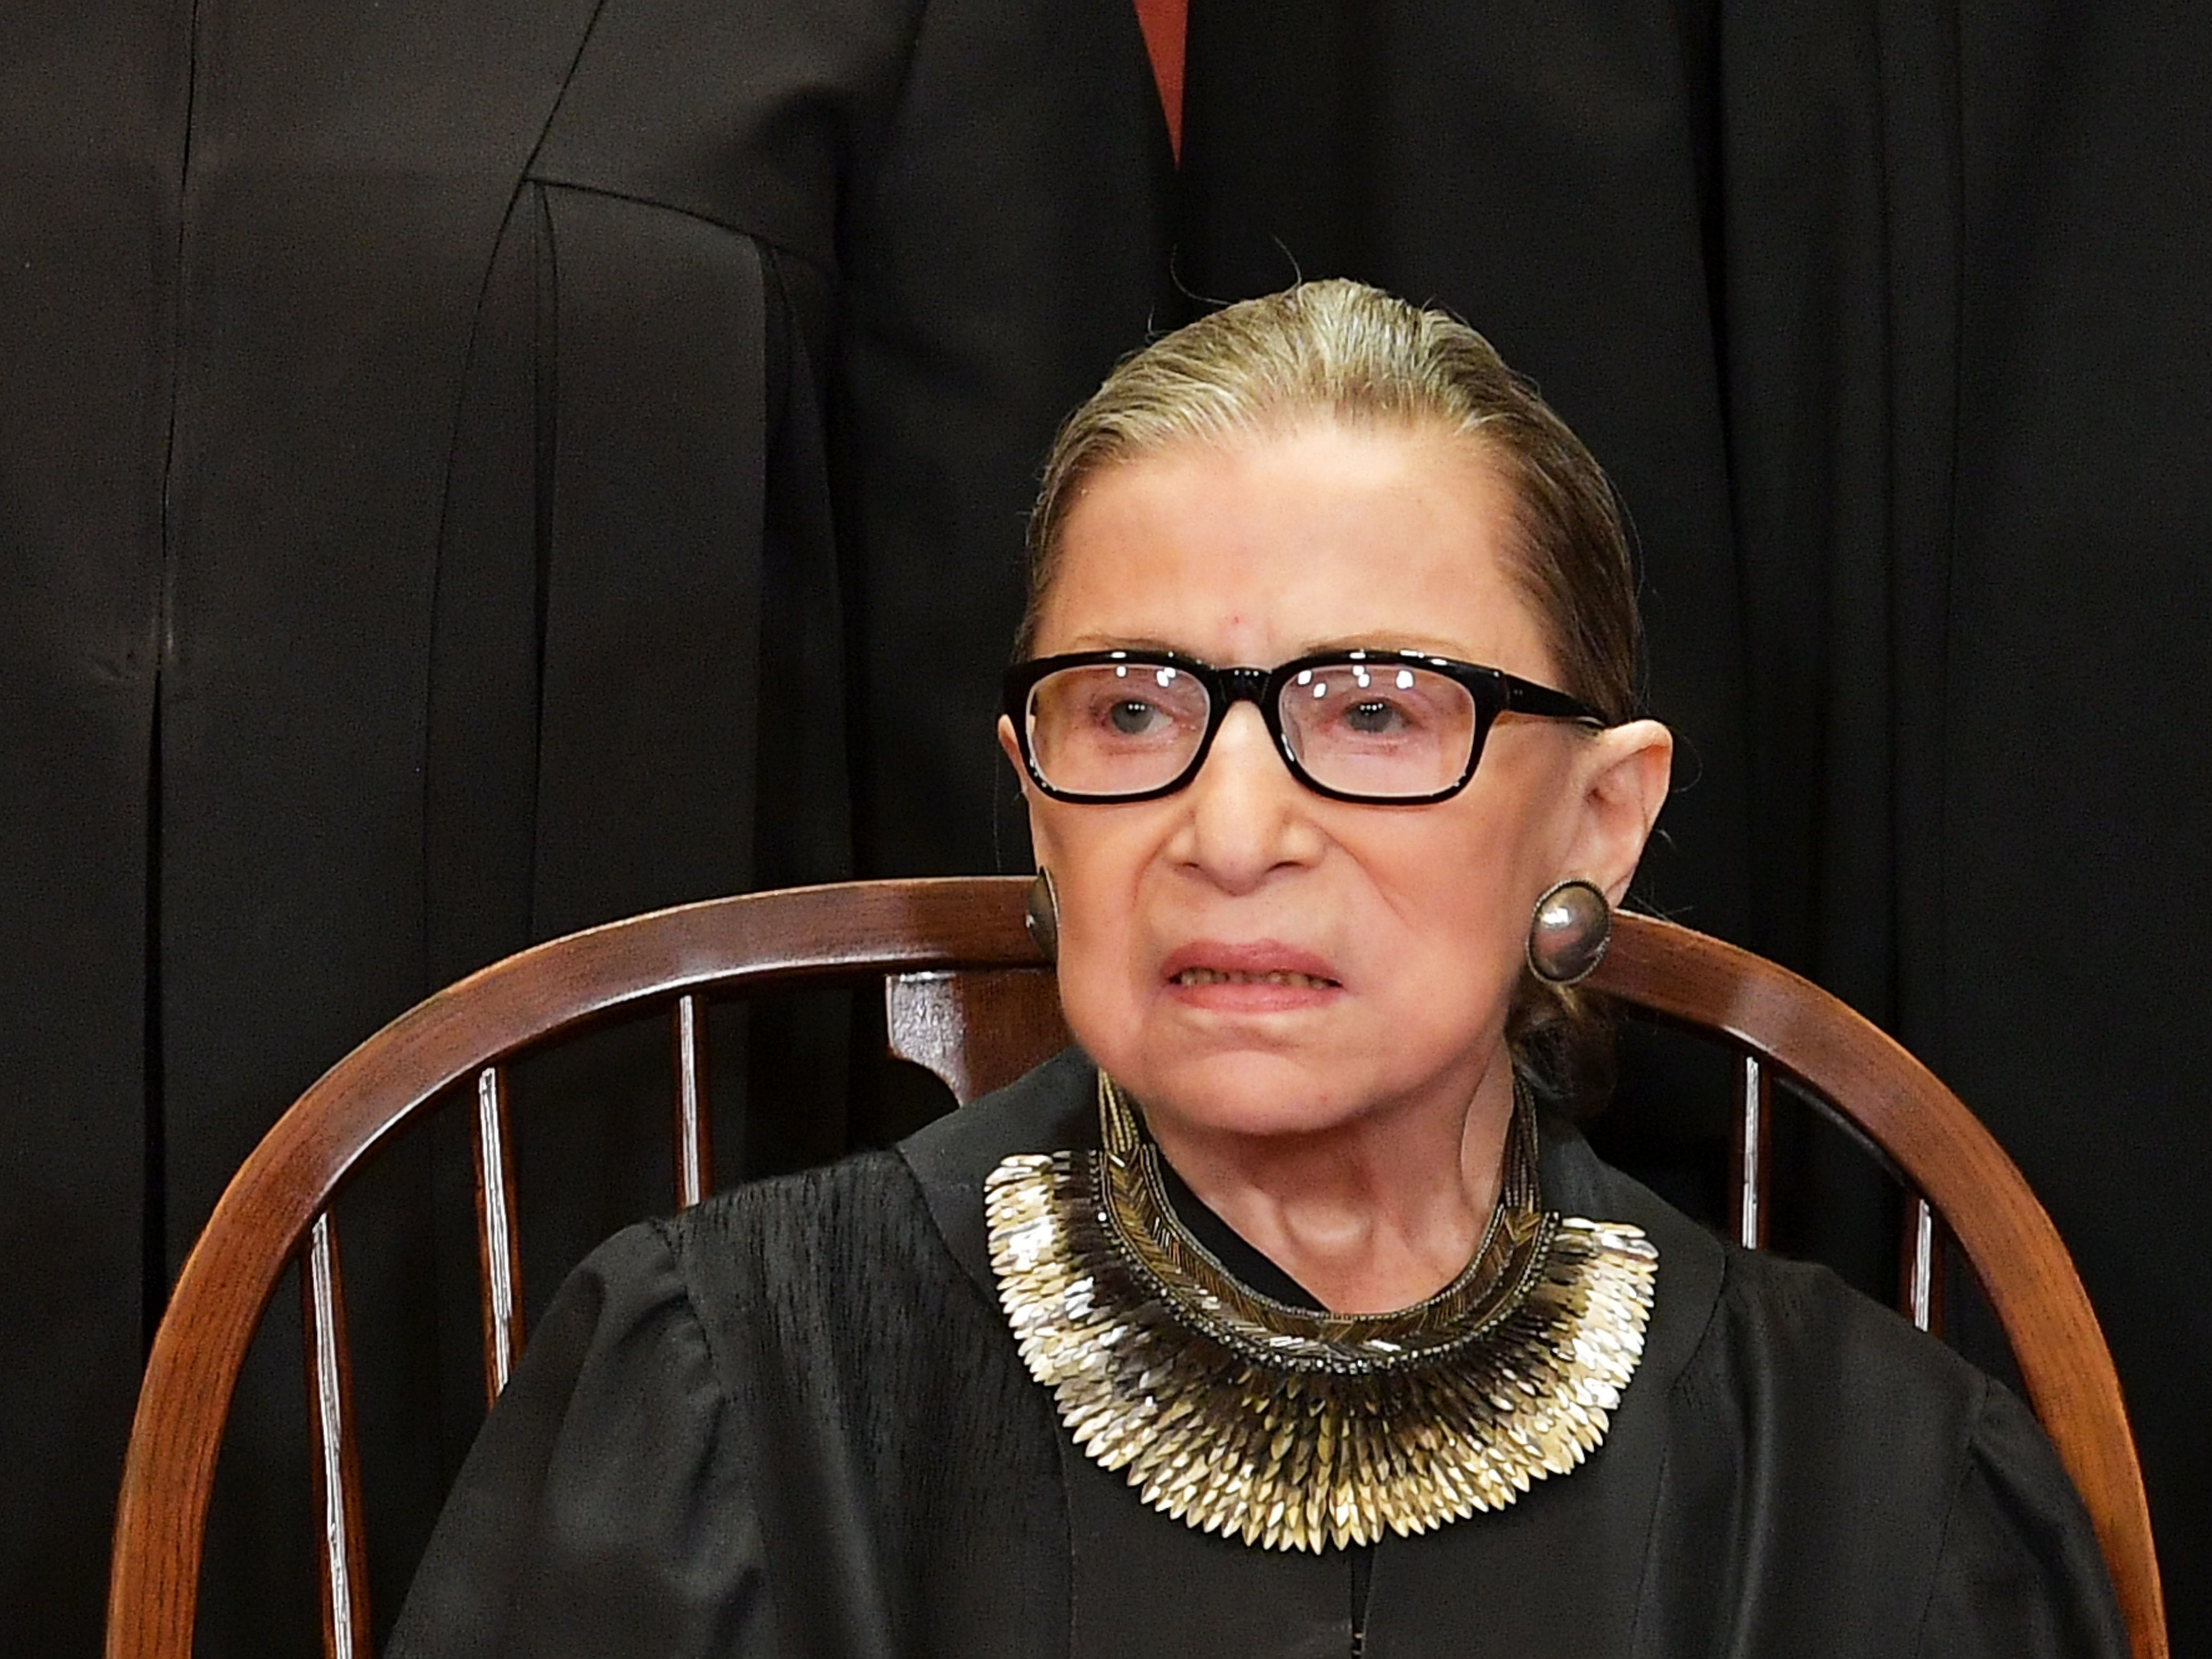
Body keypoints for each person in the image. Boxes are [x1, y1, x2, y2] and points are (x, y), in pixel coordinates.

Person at [386, 281, 2126, 1657]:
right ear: (1037, 804)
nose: (1228, 827)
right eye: (1131, 710)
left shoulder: (1877, 1492)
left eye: (1372, 712)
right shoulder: (722, 1390)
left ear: (1598, 815)